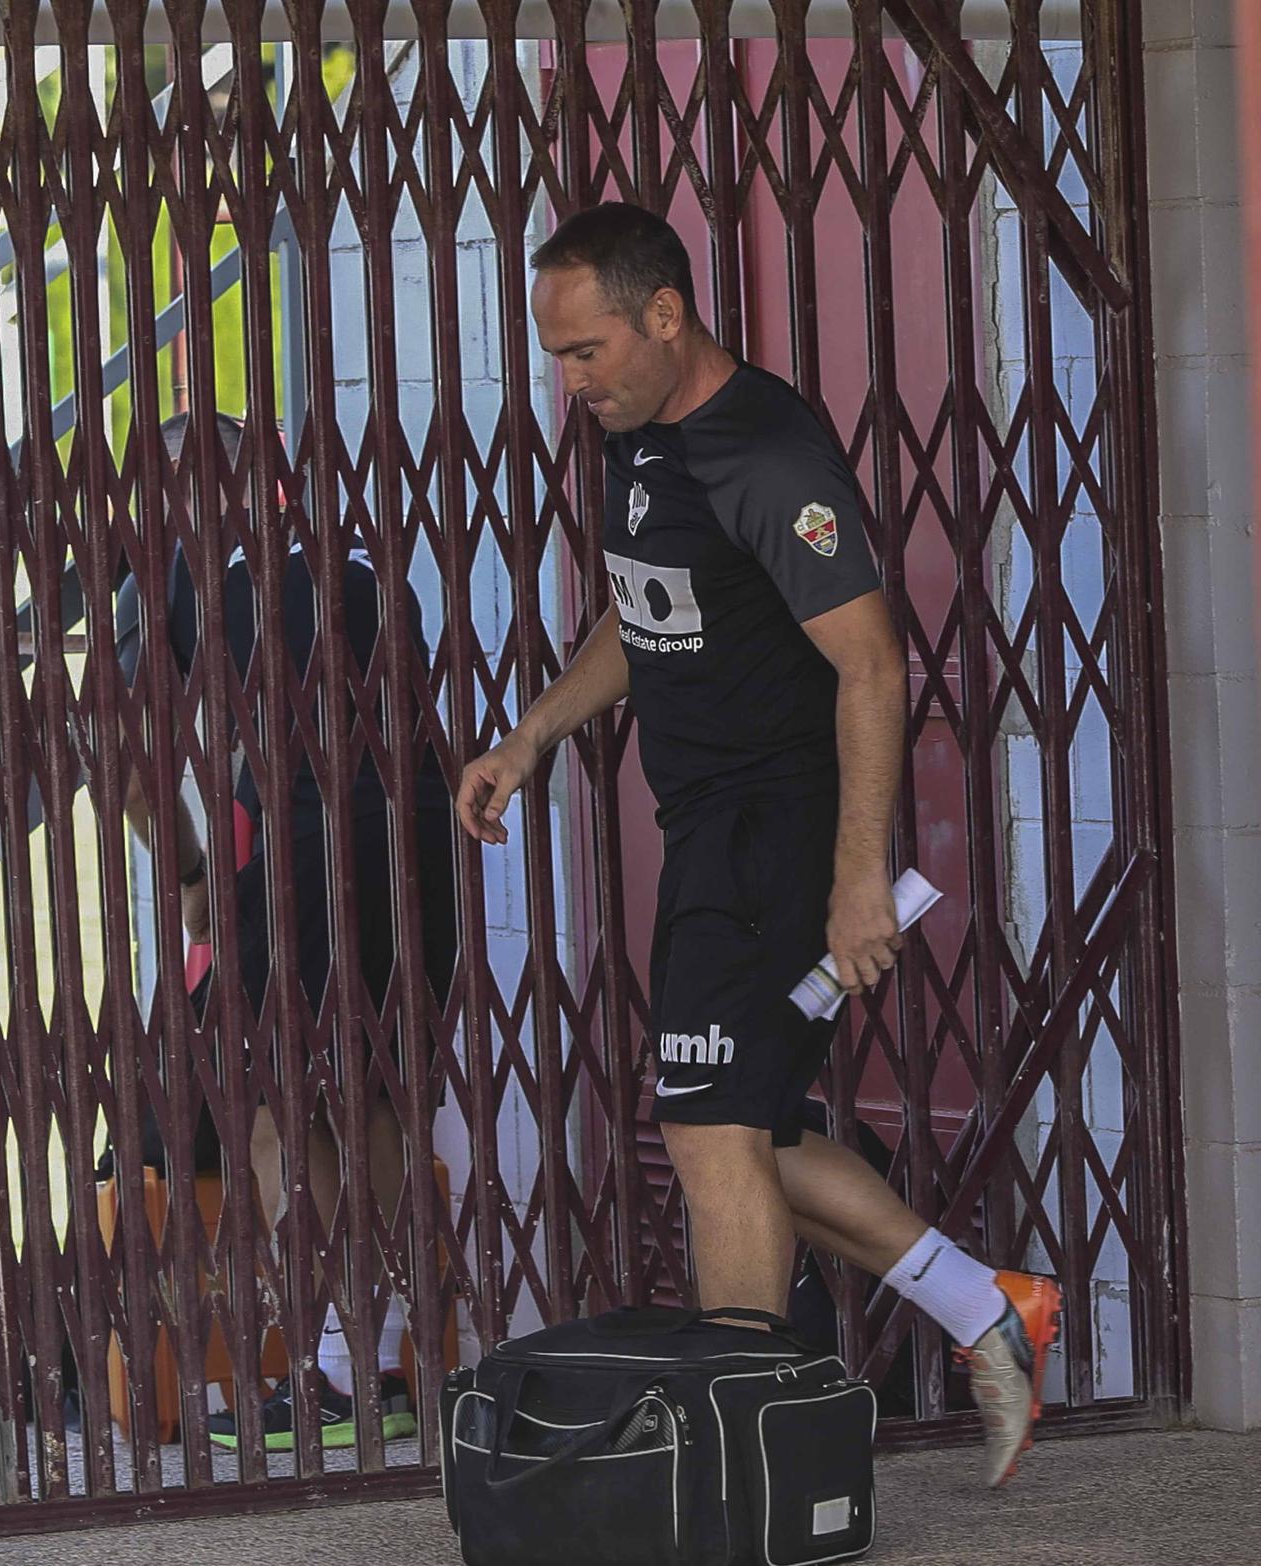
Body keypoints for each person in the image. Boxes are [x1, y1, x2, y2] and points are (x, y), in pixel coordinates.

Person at [455, 202, 1060, 1488]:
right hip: (707, 836)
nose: (569, 382)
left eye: (585, 350)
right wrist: (532, 736)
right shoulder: (642, 436)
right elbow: (645, 611)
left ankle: (732, 1464)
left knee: (709, 1129)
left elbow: (872, 665)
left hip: (775, 837)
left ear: (665, 315)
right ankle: (986, 1307)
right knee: (744, 1121)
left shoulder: (766, 455)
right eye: (556, 354)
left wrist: (854, 879)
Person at [114, 412, 457, 1452]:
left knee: (274, 1101)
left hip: (298, 843)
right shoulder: (356, 552)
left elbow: (131, 762)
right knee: (388, 1095)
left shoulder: (168, 575)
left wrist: (186, 876)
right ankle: (401, 1360)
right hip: (417, 828)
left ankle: (324, 1370)